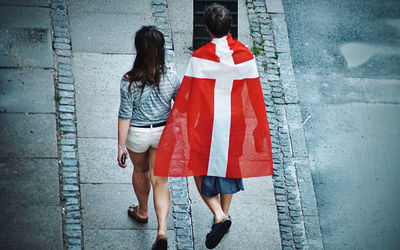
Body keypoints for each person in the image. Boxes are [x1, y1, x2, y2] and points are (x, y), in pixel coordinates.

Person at [154, 4, 273, 249]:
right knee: (230, 166)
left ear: (206, 28)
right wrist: (259, 129)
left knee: (198, 167)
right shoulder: (246, 56)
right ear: (229, 26)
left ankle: (218, 214)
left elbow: (186, 95)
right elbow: (255, 95)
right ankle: (223, 216)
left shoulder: (200, 58)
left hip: (206, 124)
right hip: (235, 122)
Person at [117, 26, 181, 250]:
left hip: (138, 134)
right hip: (163, 133)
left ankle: (143, 211)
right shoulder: (171, 77)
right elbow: (181, 106)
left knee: (140, 171)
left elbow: (125, 116)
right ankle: (162, 230)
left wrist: (121, 146)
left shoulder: (129, 80)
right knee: (160, 180)